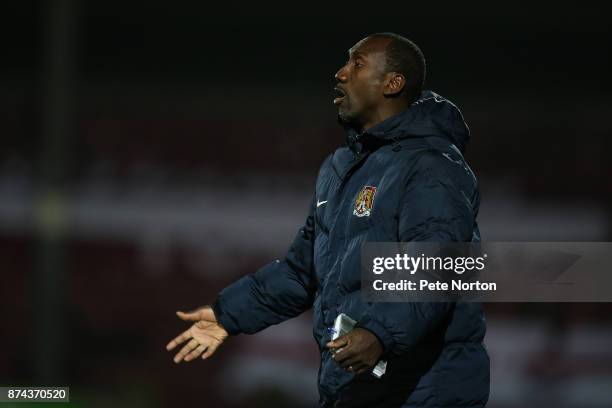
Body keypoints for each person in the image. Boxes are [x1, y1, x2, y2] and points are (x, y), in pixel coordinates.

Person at [166, 32, 490, 407]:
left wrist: (380, 333)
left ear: (393, 83)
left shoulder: (431, 165)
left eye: (357, 64)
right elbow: (301, 272)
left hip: (423, 391)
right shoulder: (339, 171)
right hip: (360, 387)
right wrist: (228, 313)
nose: (339, 73)